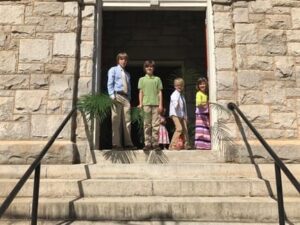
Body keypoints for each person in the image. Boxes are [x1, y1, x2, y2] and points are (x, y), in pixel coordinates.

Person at [107, 52, 135, 150]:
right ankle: (116, 144)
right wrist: (111, 95)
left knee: (127, 121)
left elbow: (129, 87)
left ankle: (128, 143)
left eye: (125, 59)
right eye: (121, 59)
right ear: (118, 60)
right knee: (116, 120)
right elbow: (110, 83)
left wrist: (129, 98)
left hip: (126, 97)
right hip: (117, 95)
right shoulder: (113, 70)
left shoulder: (127, 74)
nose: (123, 61)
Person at [138, 60, 163, 151]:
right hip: (146, 105)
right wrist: (140, 103)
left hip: (156, 104)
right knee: (147, 125)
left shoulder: (157, 79)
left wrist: (160, 105)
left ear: (153, 68)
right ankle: (147, 144)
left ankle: (155, 144)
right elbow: (141, 92)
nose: (149, 68)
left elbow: (160, 92)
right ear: (145, 68)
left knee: (156, 125)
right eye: (147, 66)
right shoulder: (142, 79)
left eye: (151, 66)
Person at [169, 78, 192, 150]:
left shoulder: (181, 95)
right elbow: (175, 104)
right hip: (175, 114)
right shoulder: (174, 94)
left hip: (181, 114)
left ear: (183, 86)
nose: (179, 87)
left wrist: (185, 116)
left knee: (185, 129)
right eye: (177, 85)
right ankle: (172, 145)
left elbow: (184, 107)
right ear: (175, 86)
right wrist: (177, 102)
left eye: (181, 85)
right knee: (179, 129)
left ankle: (187, 144)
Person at [194, 77, 211, 150]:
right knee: (200, 130)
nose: (202, 85)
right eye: (200, 84)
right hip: (200, 115)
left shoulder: (205, 94)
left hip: (205, 114)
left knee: (205, 130)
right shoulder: (198, 93)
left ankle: (206, 145)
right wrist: (206, 103)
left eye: (203, 84)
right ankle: (200, 145)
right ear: (198, 86)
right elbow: (198, 104)